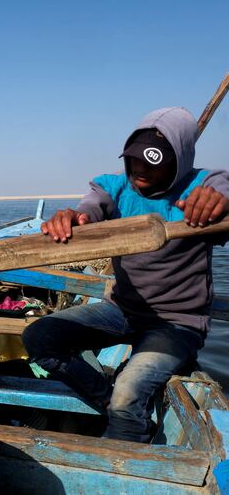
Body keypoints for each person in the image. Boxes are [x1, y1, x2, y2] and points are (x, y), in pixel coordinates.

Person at [22, 107, 229, 443]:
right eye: (135, 158)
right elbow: (91, 205)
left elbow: (223, 183)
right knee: (40, 338)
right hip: (122, 310)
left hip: (176, 323)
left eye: (155, 161)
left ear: (179, 163)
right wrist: (75, 217)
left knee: (129, 391)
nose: (141, 169)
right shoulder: (113, 188)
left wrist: (221, 197)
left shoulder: (202, 188)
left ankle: (125, 434)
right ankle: (105, 399)